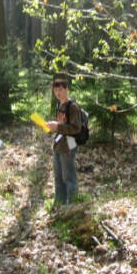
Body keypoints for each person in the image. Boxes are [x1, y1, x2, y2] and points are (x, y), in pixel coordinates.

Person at [46, 73, 82, 205]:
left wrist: (58, 126)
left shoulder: (72, 106)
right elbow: (60, 126)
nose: (58, 92)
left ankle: (72, 205)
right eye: (55, 89)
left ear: (67, 89)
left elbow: (76, 128)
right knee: (58, 177)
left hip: (69, 144)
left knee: (68, 177)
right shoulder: (59, 105)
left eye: (60, 89)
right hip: (58, 144)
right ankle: (59, 203)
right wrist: (53, 127)